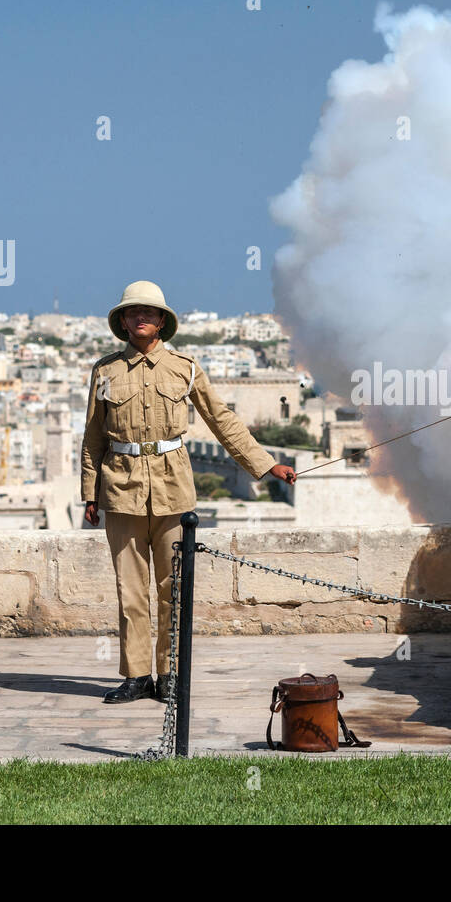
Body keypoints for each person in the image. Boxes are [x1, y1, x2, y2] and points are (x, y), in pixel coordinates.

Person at [81, 281, 297, 703]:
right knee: (131, 589)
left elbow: (222, 419)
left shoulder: (185, 368)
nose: (141, 317)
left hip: (172, 488)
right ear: (123, 321)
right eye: (133, 312)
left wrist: (266, 463)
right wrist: (90, 493)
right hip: (121, 487)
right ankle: (136, 675)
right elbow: (92, 437)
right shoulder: (105, 371)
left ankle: (168, 675)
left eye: (150, 312)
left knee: (171, 588)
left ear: (162, 321)